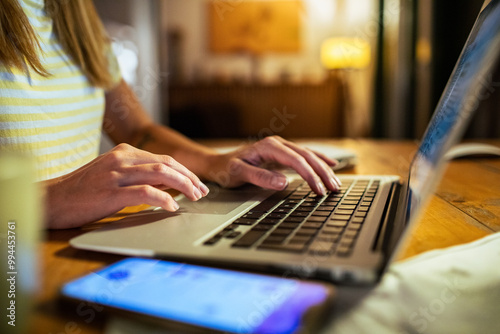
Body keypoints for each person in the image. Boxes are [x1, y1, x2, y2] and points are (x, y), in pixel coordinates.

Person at [0, 0, 341, 229]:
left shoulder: (77, 18)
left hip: (81, 243)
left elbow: (137, 132)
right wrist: (50, 198)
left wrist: (216, 163)